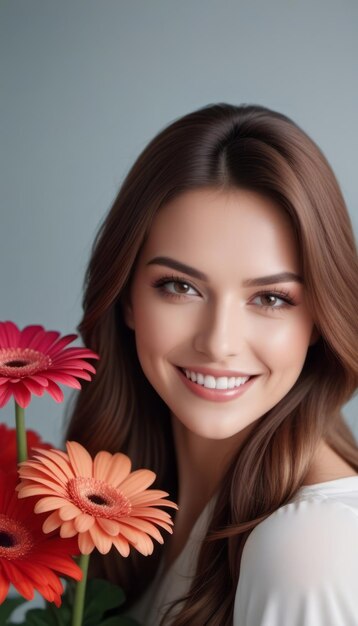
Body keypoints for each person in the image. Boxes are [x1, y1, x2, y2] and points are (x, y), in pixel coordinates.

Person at [66, 103, 358, 626]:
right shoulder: (136, 499)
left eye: (270, 298)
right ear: (127, 298)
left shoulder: (310, 549)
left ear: (319, 318)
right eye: (180, 287)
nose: (219, 343)